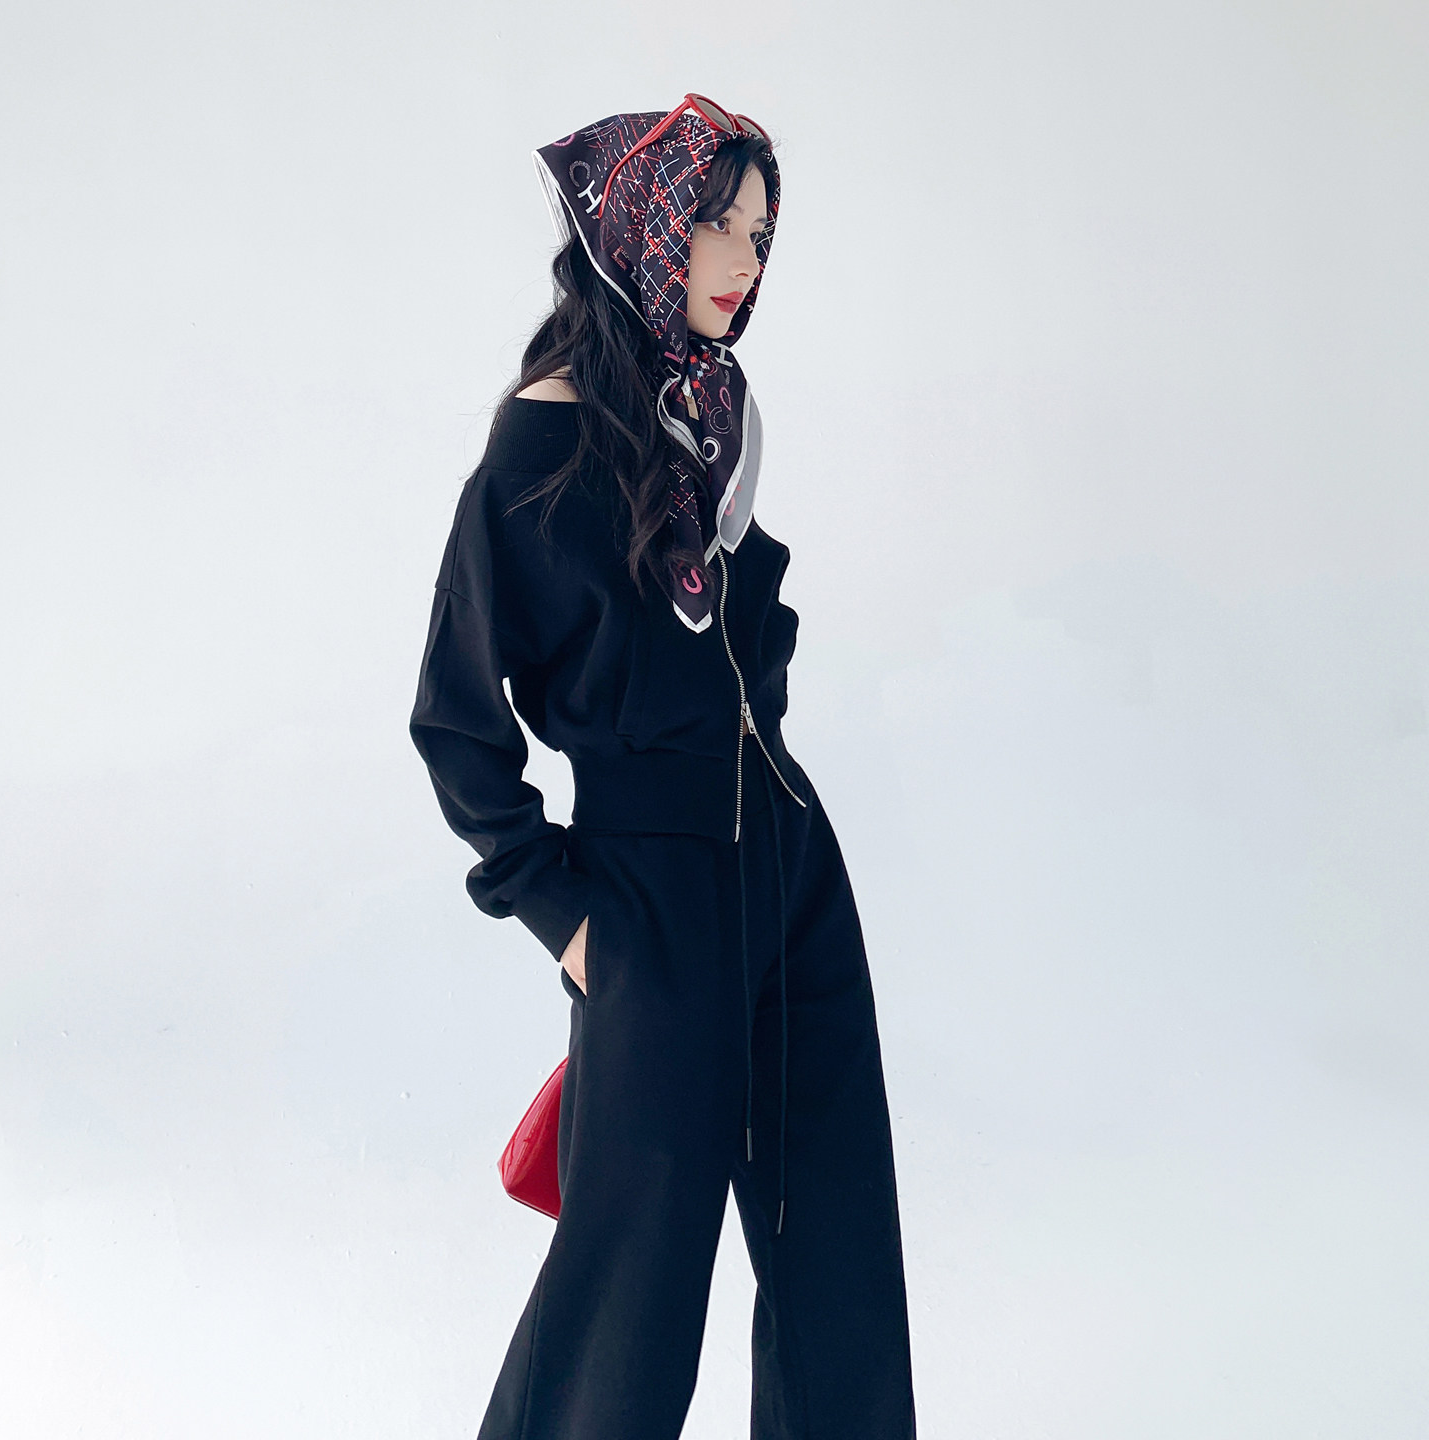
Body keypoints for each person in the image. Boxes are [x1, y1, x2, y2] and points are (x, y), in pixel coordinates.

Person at [409, 95, 917, 1440]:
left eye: (761, 234)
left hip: (789, 862)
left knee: (839, 1259)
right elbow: (455, 718)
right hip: (649, 904)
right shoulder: (544, 447)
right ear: (645, 227)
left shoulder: (709, 418)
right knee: (629, 1299)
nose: (745, 263)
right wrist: (565, 915)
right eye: (716, 227)